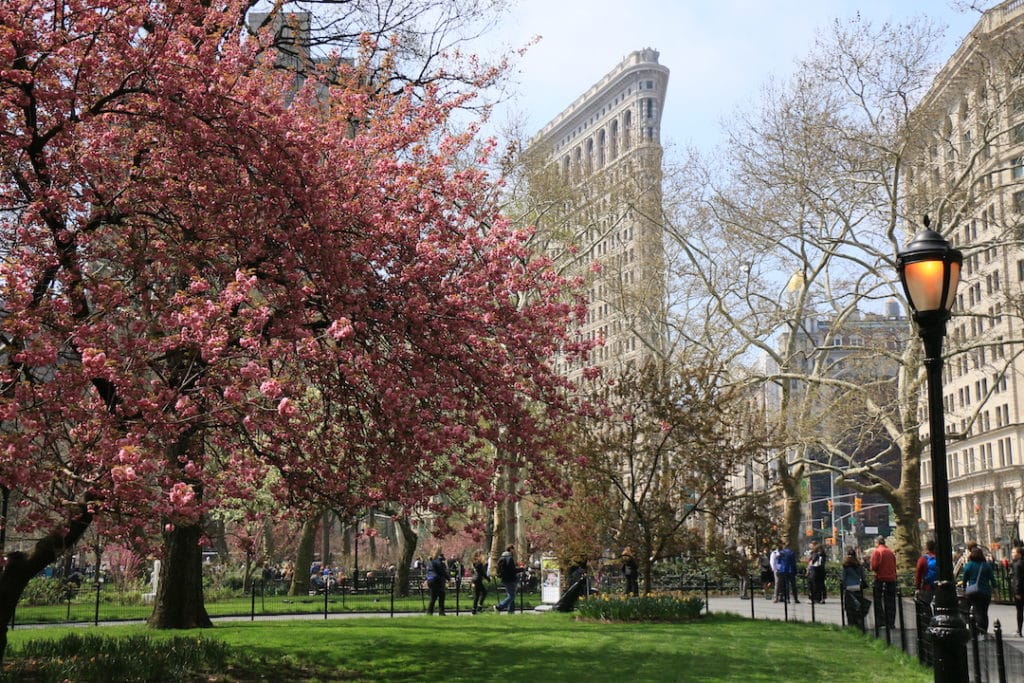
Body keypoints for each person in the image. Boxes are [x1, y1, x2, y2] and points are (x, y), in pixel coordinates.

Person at [961, 545, 995, 636]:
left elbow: (965, 578)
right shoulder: (986, 566)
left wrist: (964, 588)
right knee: (984, 612)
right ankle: (984, 630)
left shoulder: (969, 565)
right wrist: (995, 588)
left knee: (977, 610)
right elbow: (992, 579)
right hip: (985, 592)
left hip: (974, 591)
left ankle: (980, 630)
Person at [869, 536, 897, 630]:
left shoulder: (877, 552)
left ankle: (881, 621)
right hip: (891, 579)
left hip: (880, 578)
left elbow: (873, 566)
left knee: (878, 601)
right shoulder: (890, 552)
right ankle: (891, 622)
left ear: (877, 543)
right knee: (891, 602)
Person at [842, 548, 868, 630]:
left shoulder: (845, 566)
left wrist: (844, 585)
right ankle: (859, 621)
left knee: (849, 607)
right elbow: (863, 576)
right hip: (858, 587)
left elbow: (843, 577)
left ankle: (851, 623)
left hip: (849, 588)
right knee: (858, 605)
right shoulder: (859, 565)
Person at [495, 545, 522, 613]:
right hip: (510, 579)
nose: (514, 551)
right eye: (513, 549)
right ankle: (499, 606)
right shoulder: (509, 558)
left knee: (510, 594)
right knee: (512, 596)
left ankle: (511, 610)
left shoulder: (502, 557)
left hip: (504, 579)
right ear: (510, 549)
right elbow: (512, 570)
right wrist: (521, 569)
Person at [425, 546, 450, 616]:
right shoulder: (438, 560)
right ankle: (441, 612)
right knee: (442, 595)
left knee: (433, 597)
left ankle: (429, 612)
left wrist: (426, 579)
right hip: (437, 579)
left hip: (430, 579)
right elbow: (442, 571)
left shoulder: (430, 560)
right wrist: (449, 578)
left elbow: (428, 571)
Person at [914, 539, 938, 606]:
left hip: (927, 588)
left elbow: (918, 575)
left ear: (926, 548)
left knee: (926, 607)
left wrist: (917, 588)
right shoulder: (939, 558)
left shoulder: (923, 559)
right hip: (939, 588)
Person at [470, 549, 489, 614]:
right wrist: (487, 578)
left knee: (477, 595)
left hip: (475, 579)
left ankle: (474, 609)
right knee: (484, 592)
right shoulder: (479, 563)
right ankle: (479, 606)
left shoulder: (474, 562)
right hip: (478, 580)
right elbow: (482, 572)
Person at [1011, 546, 1024, 638]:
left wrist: (1017, 592)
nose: (1012, 554)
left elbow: (1018, 579)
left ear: (1019, 554)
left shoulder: (1017, 564)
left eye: (1013, 552)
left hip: (1020, 591)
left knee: (1019, 611)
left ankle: (1019, 630)